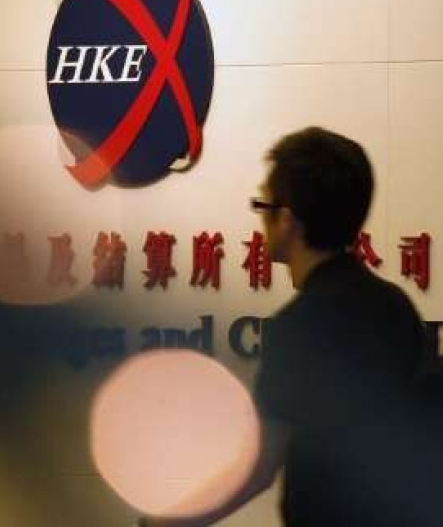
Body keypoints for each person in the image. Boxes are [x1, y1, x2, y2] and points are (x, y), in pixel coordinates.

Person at [140, 127, 434, 527]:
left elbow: (259, 467)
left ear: (289, 222)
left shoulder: (301, 326)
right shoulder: (396, 306)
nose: (262, 222)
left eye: (264, 206)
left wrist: (162, 524)